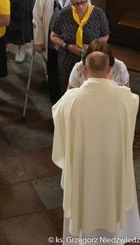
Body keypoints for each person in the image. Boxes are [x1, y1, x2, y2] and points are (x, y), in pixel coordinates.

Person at [52, 51, 140, 242]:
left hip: (84, 161)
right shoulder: (125, 97)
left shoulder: (71, 99)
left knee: (84, 199)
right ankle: (114, 238)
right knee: (112, 197)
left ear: (85, 69)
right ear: (109, 69)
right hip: (113, 159)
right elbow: (133, 104)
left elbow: (58, 114)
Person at [50, 0, 110, 95]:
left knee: (90, 91)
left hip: (92, 59)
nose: (81, 6)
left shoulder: (98, 14)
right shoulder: (64, 14)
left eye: (83, 2)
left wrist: (93, 45)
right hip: (67, 59)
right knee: (69, 90)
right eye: (76, 4)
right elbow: (53, 36)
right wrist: (67, 45)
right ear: (71, 1)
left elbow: (106, 35)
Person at [33, 0, 74, 103]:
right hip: (51, 43)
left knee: (71, 75)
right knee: (54, 75)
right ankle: (56, 104)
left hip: (73, 45)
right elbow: (37, 16)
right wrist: (38, 40)